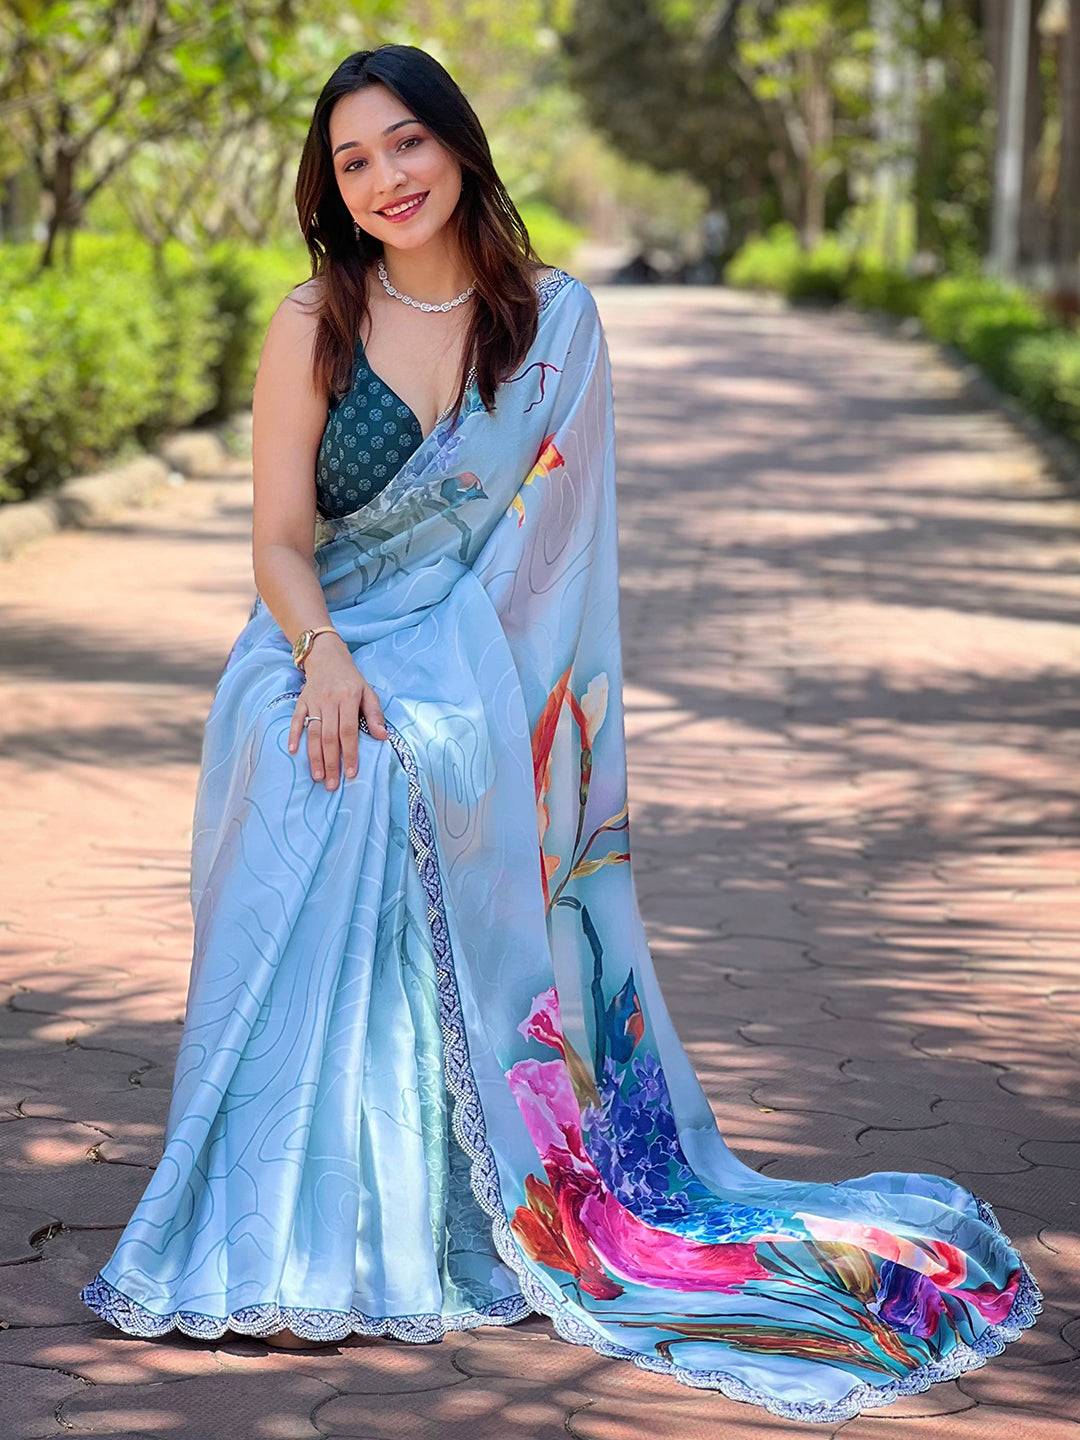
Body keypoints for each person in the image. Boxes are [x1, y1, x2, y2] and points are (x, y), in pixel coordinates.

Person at [78, 44, 1042, 1422]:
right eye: (352, 161)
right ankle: (277, 1235)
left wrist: (436, 696)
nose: (385, 180)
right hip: (317, 643)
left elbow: (547, 577)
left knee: (416, 771)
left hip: (478, 672)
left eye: (404, 144)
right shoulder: (313, 323)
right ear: (328, 189)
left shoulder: (555, 325)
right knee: (322, 768)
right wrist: (329, 659)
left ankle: (408, 1223)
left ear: (461, 146)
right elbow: (282, 547)